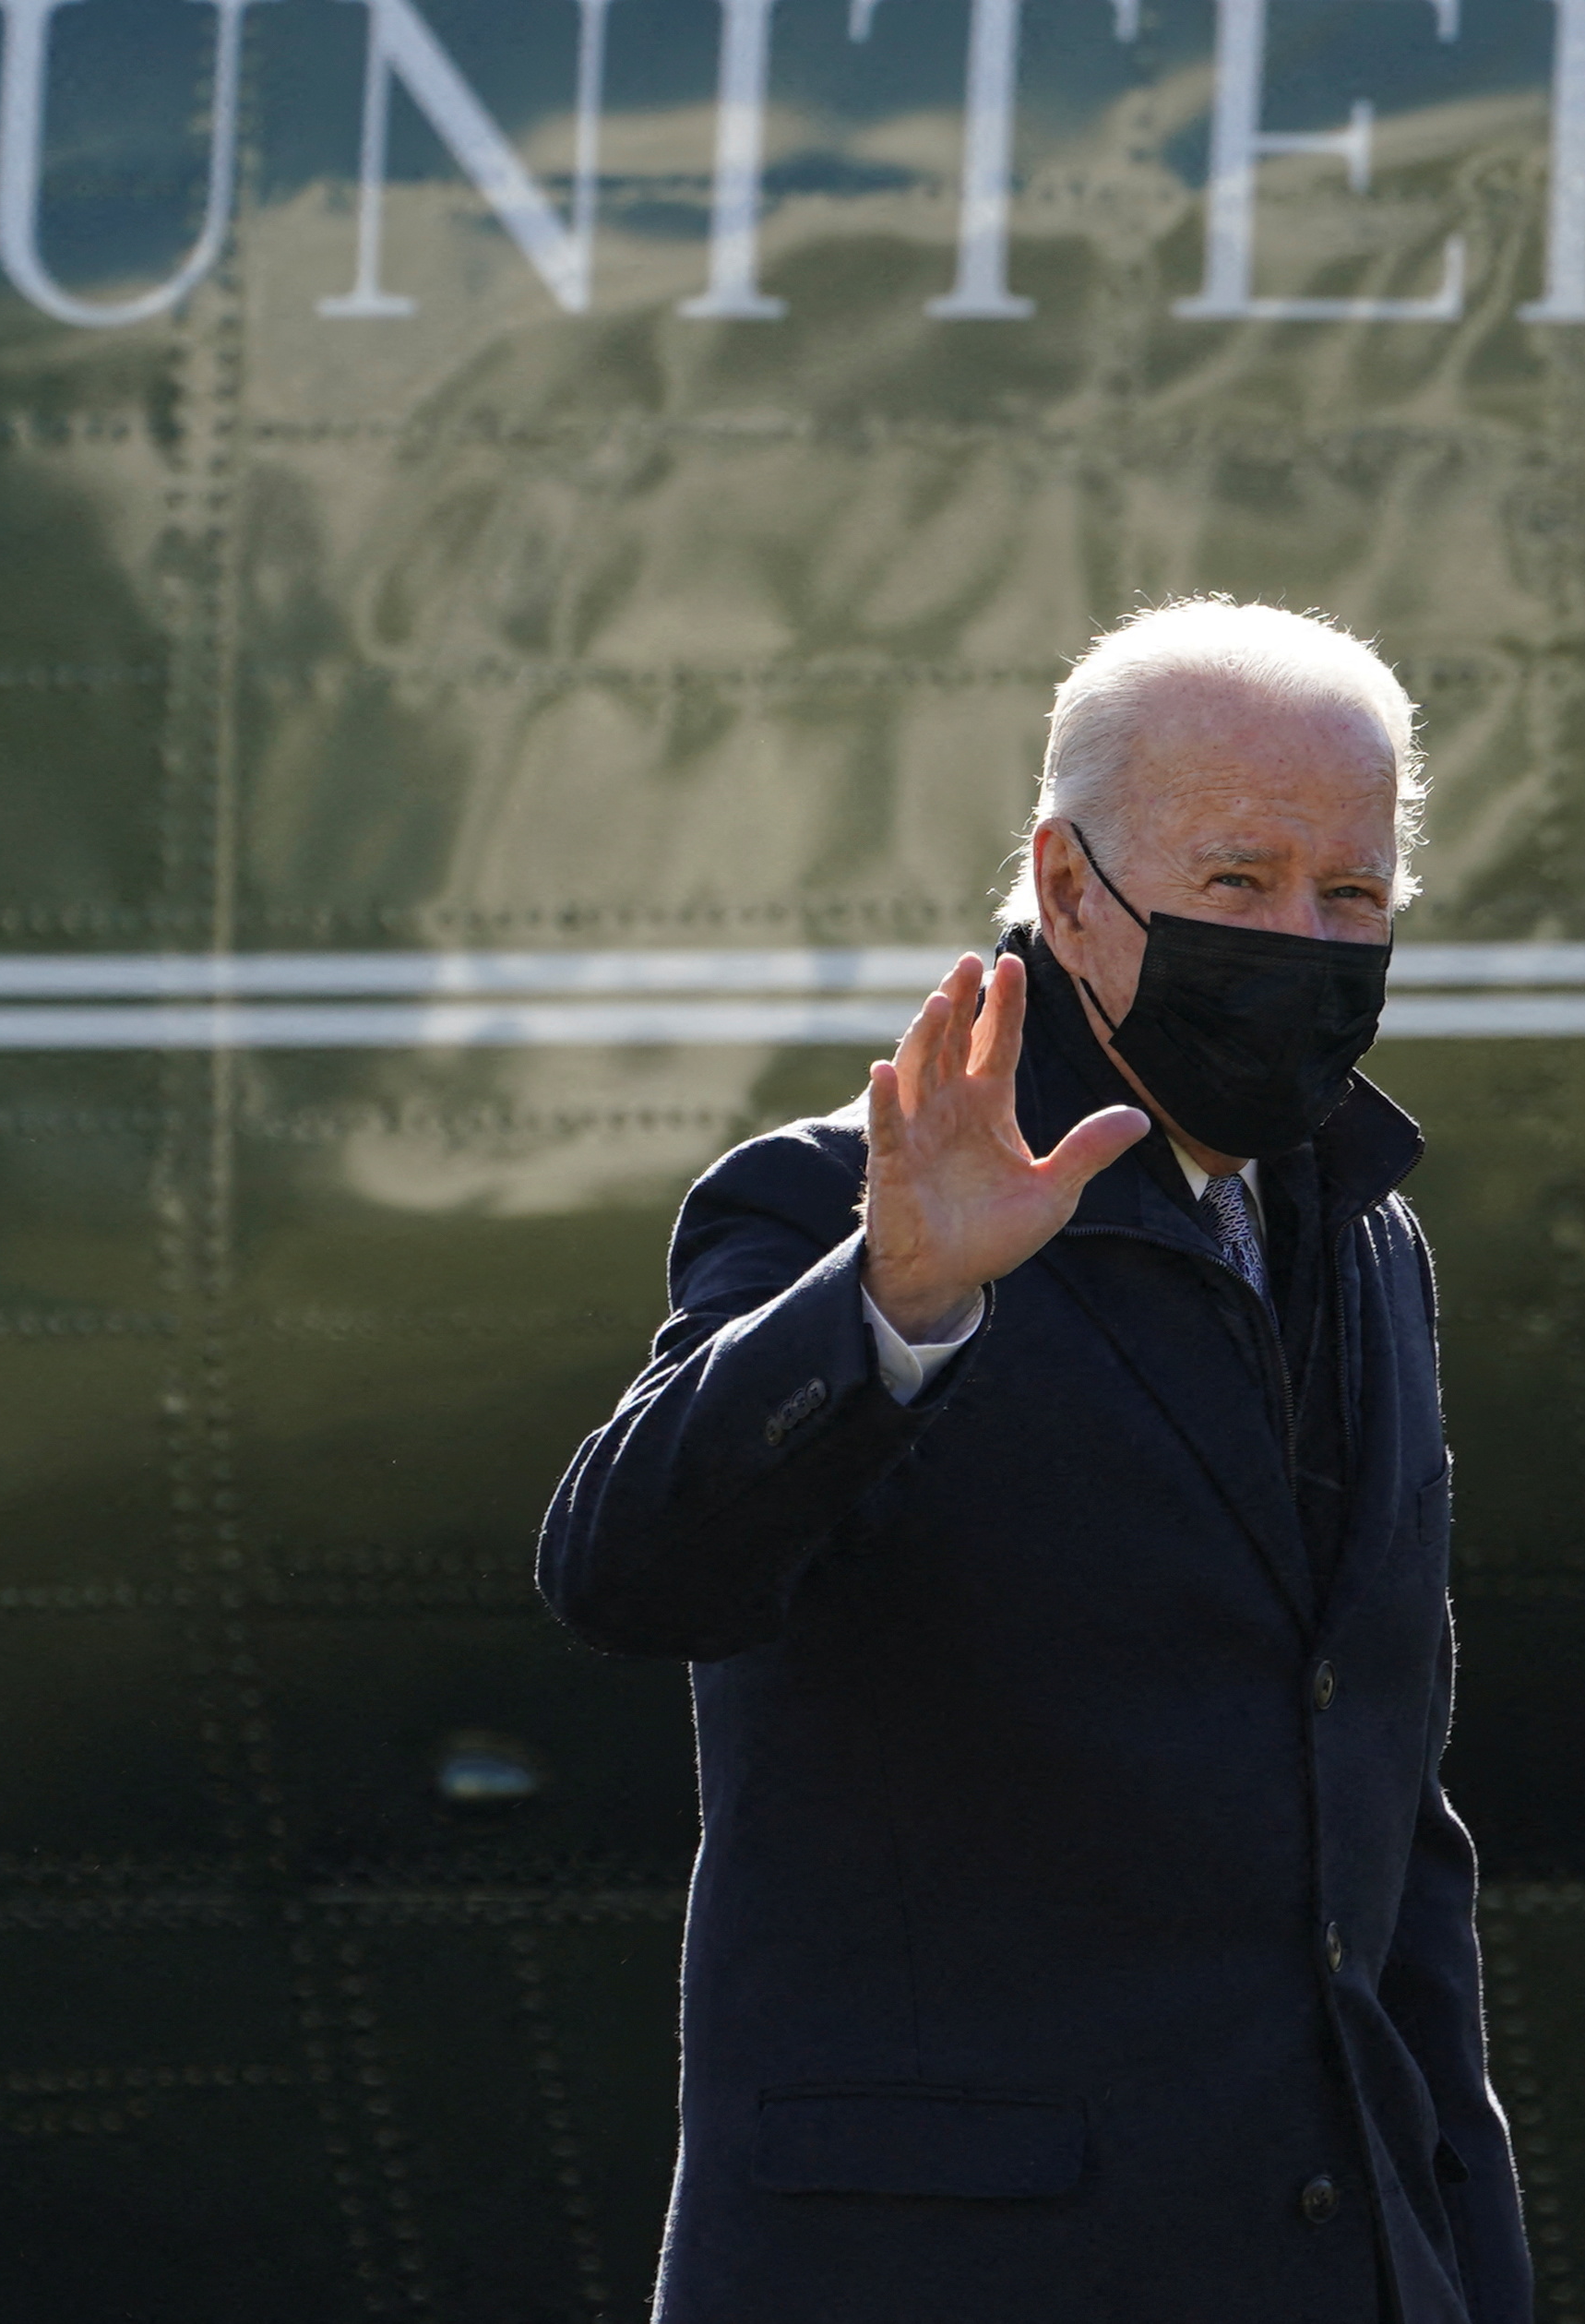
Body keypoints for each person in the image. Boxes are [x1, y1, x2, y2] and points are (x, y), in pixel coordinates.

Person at [536, 600, 1531, 2324]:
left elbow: (1386, 1828)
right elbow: (628, 1575)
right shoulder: (848, 1204)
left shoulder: (1365, 1242)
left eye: (1352, 894)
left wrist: (1463, 2271)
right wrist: (895, 1301)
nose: (1301, 939)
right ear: (1069, 891)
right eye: (1237, 880)